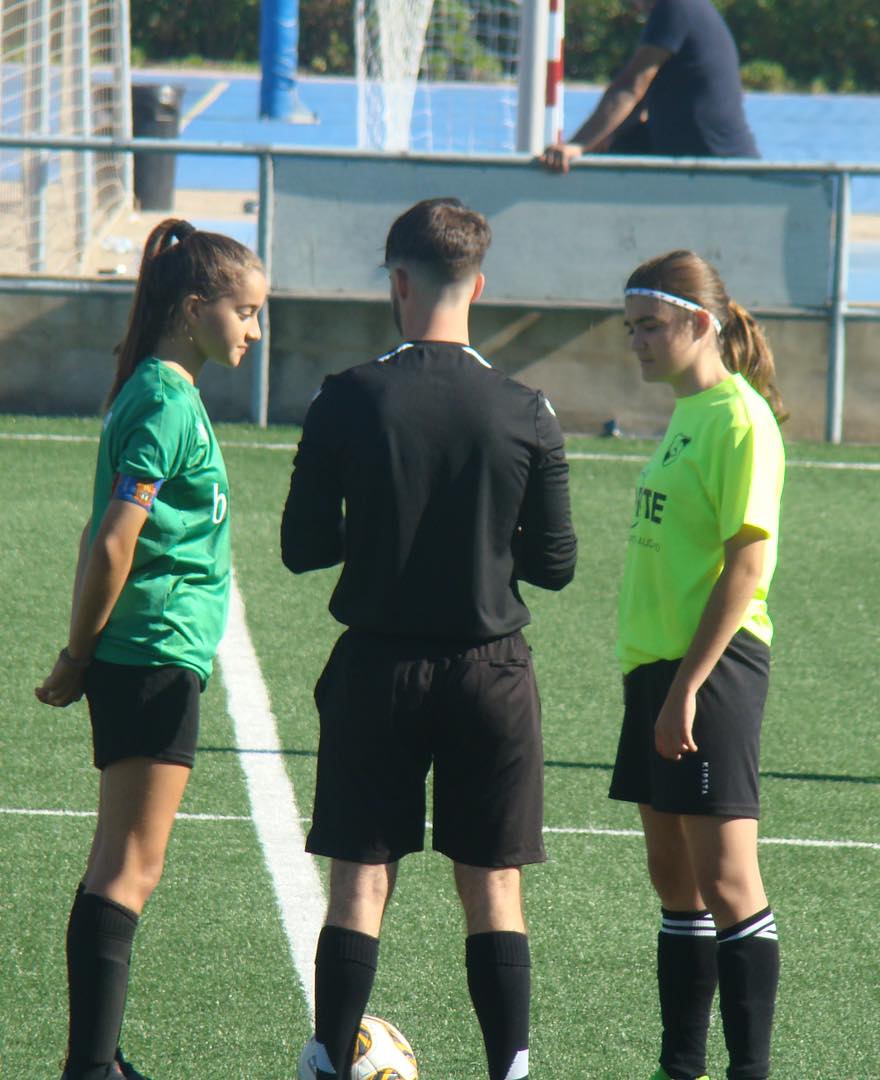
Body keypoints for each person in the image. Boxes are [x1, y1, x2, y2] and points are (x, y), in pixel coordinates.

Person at [281, 197, 577, 1080]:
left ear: (398, 283)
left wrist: (376, 529)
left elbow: (301, 548)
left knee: (360, 880)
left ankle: (333, 1062)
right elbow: (556, 565)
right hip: (491, 673)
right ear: (477, 286)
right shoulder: (528, 408)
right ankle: (510, 1070)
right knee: (492, 887)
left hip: (376, 666)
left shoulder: (346, 397)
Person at [36, 219, 267, 1079]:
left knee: (121, 863)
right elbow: (111, 541)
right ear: (193, 308)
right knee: (129, 868)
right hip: (151, 653)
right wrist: (77, 654)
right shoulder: (166, 401)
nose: (253, 331)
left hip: (154, 652)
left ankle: (97, 1059)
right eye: (245, 313)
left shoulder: (162, 390)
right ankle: (90, 1068)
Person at [610, 250, 786, 1080]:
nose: (636, 340)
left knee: (726, 880)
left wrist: (685, 687)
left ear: (698, 323)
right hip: (656, 666)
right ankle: (679, 1067)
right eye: (631, 327)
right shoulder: (687, 414)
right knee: (671, 878)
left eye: (650, 325)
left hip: (708, 669)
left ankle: (747, 1070)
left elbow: (744, 569)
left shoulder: (740, 420)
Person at [539, 0, 758, 175]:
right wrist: (605, 137)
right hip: (696, 164)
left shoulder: (675, 7)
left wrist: (577, 146)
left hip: (721, 168)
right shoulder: (685, 10)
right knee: (619, 146)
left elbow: (631, 87)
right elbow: (638, 103)